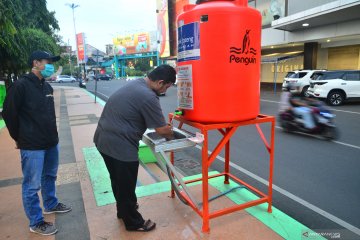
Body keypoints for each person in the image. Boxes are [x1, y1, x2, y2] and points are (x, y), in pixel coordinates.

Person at [93, 65, 176, 232]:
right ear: (160, 82)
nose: (166, 89)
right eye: (167, 86)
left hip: (102, 140)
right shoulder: (148, 97)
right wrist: (172, 134)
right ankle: (134, 222)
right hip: (120, 146)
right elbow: (161, 130)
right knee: (127, 185)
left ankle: (122, 210)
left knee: (117, 180)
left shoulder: (137, 83)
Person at [2, 50, 72, 236]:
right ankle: (36, 221)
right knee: (32, 185)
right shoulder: (20, 86)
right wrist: (19, 138)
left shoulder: (46, 87)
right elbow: (9, 114)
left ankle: (50, 204)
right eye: (47, 62)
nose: (50, 65)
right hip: (32, 145)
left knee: (49, 175)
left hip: (50, 142)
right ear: (36, 63)